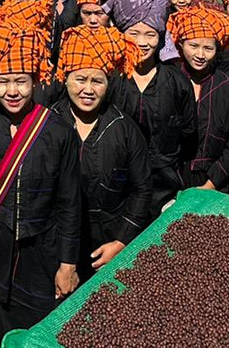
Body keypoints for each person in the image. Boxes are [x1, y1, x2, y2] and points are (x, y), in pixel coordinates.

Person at [0, 21, 81, 348]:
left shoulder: (58, 131)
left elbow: (69, 203)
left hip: (42, 256)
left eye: (21, 82)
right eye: (3, 82)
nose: (12, 91)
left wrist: (67, 263)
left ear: (35, 81)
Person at [50, 26, 152, 280]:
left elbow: (141, 189)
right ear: (65, 79)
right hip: (54, 242)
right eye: (80, 80)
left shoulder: (123, 128)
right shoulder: (48, 123)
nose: (88, 90)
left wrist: (121, 241)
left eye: (97, 81)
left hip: (107, 242)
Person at [105, 0, 193, 217]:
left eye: (151, 35)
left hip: (164, 188)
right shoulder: (110, 78)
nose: (142, 42)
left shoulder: (177, 82)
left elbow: (189, 133)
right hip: (117, 186)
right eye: (134, 33)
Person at [168, 7, 229, 192]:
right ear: (180, 44)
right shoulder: (169, 81)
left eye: (208, 48)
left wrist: (211, 184)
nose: (200, 55)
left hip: (215, 179)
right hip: (171, 177)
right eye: (193, 46)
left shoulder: (228, 86)